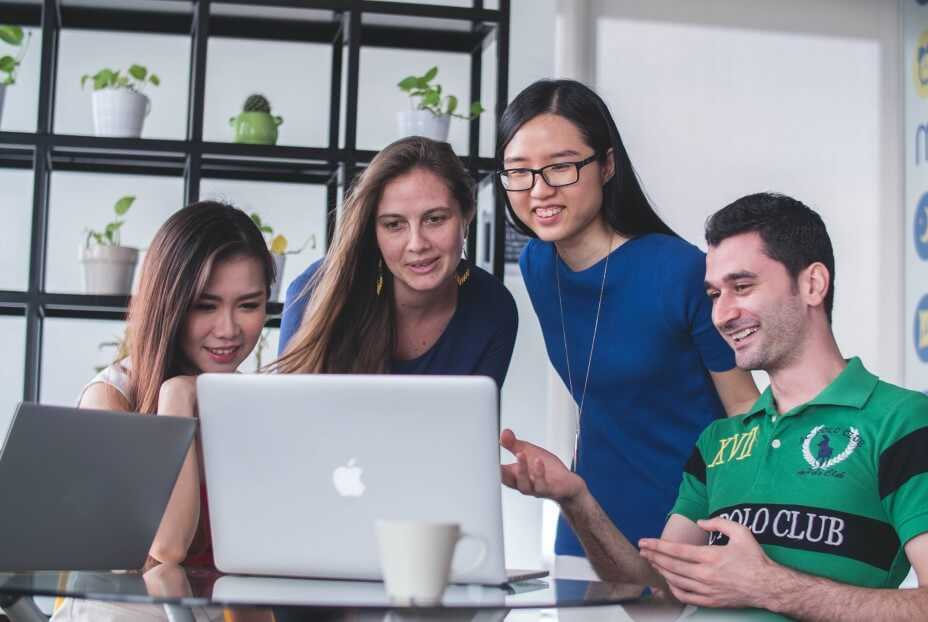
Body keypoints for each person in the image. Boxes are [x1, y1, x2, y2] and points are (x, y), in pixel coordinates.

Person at [500, 193, 928, 619]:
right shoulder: (720, 440)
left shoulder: (904, 423)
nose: (722, 313)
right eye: (715, 294)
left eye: (742, 286)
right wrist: (576, 499)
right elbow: (655, 595)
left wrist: (769, 587)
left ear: (813, 284)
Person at [496, 79, 759, 574]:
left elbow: (744, 410)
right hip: (587, 524)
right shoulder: (537, 264)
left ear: (607, 165)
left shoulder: (679, 270)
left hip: (689, 526)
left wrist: (735, 530)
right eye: (519, 172)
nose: (539, 190)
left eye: (561, 166)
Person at [77, 201, 275, 567]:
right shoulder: (110, 397)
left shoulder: (248, 403)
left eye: (248, 305)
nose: (228, 330)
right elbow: (167, 547)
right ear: (169, 304)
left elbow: (257, 562)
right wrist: (177, 399)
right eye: (205, 306)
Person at [275, 136, 518, 387]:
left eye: (434, 219)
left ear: (466, 215)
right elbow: (289, 417)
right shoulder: (314, 291)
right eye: (394, 225)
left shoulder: (494, 308)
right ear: (373, 230)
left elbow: (474, 422)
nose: (417, 244)